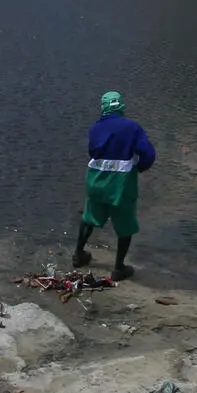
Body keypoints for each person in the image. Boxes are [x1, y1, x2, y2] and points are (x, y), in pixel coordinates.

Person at [73, 91, 155, 280]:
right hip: (121, 183)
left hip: (95, 179)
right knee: (124, 224)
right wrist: (140, 167)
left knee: (89, 217)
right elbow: (148, 154)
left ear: (103, 108)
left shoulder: (95, 128)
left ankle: (78, 255)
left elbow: (93, 150)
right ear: (121, 108)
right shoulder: (132, 127)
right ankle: (119, 268)